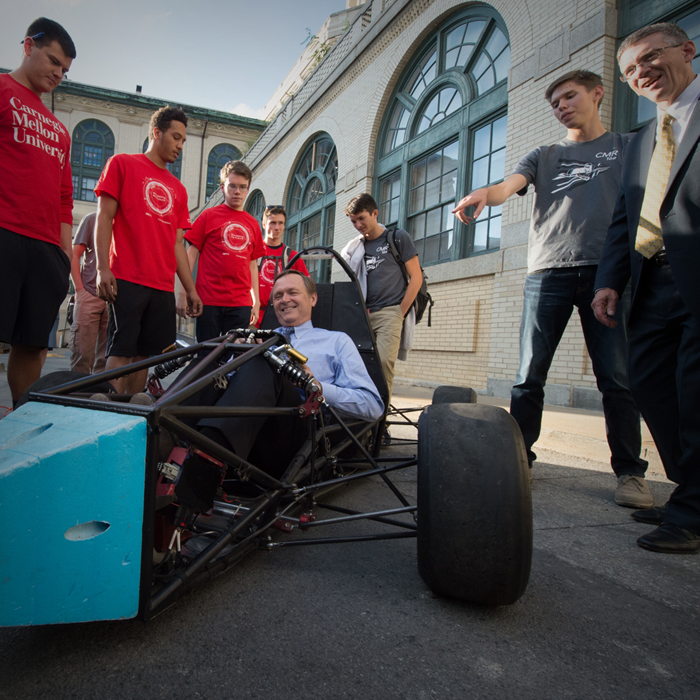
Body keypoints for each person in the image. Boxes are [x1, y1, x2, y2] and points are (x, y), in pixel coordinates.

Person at [453, 70, 648, 506]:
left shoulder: (626, 148)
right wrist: (487, 193)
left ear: (597, 94)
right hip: (548, 273)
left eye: (569, 96)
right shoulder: (544, 154)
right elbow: (510, 186)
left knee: (616, 378)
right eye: (555, 102)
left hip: (608, 273)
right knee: (528, 376)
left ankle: (631, 474)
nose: (561, 106)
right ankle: (519, 459)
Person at [593, 23, 700, 553]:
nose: (640, 74)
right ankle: (692, 489)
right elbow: (624, 218)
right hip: (651, 281)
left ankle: (694, 511)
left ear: (687, 49)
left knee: (696, 392)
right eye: (630, 71)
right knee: (653, 387)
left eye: (649, 59)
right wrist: (610, 279)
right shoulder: (640, 143)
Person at [191, 270, 384, 476]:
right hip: (245, 426)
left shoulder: (337, 341)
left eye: (293, 292)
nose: (284, 300)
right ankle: (166, 440)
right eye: (278, 296)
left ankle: (205, 463)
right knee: (207, 361)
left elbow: (372, 406)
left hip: (297, 434)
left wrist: (315, 386)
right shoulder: (260, 338)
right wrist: (233, 357)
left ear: (312, 298)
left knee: (266, 362)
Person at [95, 105, 202, 394]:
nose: (180, 146)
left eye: (183, 141)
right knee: (120, 352)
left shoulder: (178, 189)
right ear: (157, 133)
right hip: (127, 278)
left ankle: (131, 418)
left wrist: (189, 288)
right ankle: (105, 416)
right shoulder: (122, 164)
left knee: (143, 358)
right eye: (176, 137)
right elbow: (104, 217)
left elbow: (177, 243)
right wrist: (103, 269)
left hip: (162, 286)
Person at [0, 18, 75, 406]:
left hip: (46, 250)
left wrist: (63, 258)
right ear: (28, 45)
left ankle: (19, 422)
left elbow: (65, 197)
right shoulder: (2, 89)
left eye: (65, 69)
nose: (58, 73)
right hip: (5, 232)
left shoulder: (59, 129)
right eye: (53, 61)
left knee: (32, 345)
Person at [342, 194, 423, 413]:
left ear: (375, 213)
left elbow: (416, 277)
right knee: (360, 366)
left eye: (361, 218)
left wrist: (400, 311)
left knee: (383, 364)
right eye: (353, 221)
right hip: (363, 315)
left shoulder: (397, 238)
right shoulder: (355, 248)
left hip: (390, 312)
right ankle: (364, 416)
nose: (358, 225)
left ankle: (381, 422)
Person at [180, 161, 263, 341]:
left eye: (242, 187)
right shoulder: (208, 216)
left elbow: (253, 266)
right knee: (206, 356)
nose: (237, 191)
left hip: (240, 303)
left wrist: (256, 301)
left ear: (248, 189)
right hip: (208, 301)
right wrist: (184, 292)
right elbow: (190, 256)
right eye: (232, 186)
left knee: (234, 358)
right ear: (222, 187)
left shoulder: (253, 224)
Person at [255, 205, 309, 327]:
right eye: (272, 223)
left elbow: (307, 288)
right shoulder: (253, 252)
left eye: (281, 223)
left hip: (283, 318)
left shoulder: (293, 256)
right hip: (254, 319)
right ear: (264, 224)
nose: (277, 227)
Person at [68, 212, 107, 374]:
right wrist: (79, 289)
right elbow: (74, 254)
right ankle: (77, 396)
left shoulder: (129, 220)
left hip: (116, 297)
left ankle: (101, 396)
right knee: (82, 354)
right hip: (90, 293)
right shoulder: (92, 219)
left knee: (107, 359)